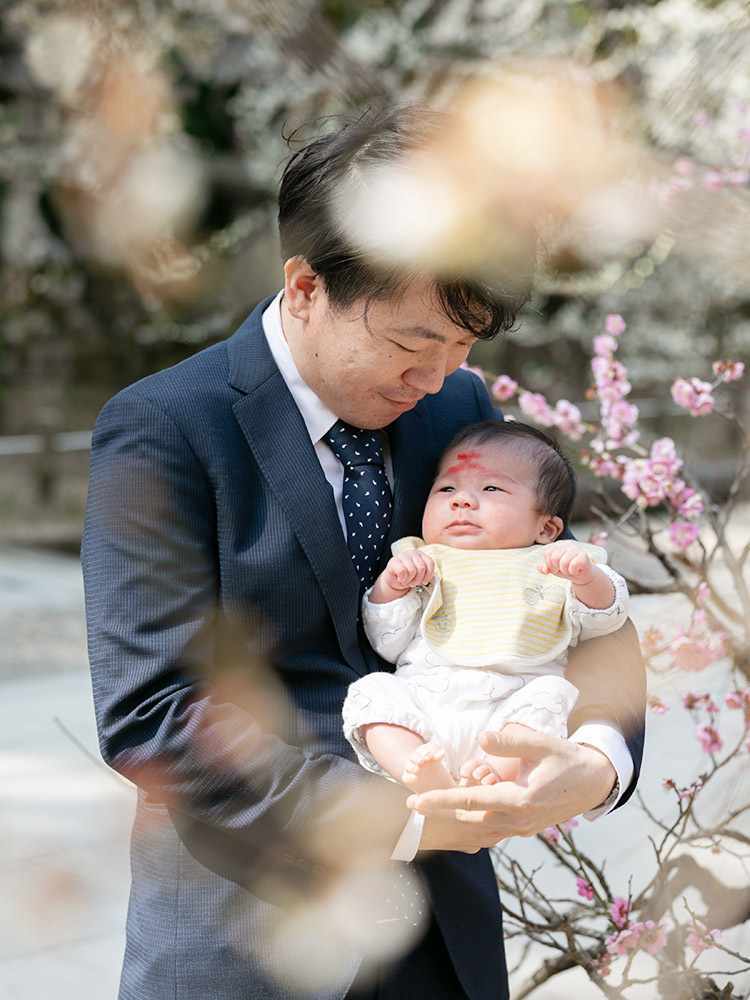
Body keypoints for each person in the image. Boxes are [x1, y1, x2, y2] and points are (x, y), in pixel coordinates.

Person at [82, 105, 646, 1000]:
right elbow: (155, 710)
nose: (437, 376)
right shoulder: (163, 431)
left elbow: (579, 607)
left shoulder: (455, 410)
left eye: (462, 347)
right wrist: (388, 817)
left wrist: (594, 761)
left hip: (441, 943)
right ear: (305, 287)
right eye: (413, 343)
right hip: (243, 933)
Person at [343, 420, 629, 795]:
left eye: (491, 488)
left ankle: (494, 770)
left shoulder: (554, 565)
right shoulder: (424, 563)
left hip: (508, 712)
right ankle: (416, 768)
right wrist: (390, 588)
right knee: (372, 692)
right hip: (427, 704)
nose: (460, 500)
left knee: (552, 695)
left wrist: (585, 577)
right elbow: (387, 643)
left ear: (546, 528)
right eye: (447, 488)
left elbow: (606, 618)